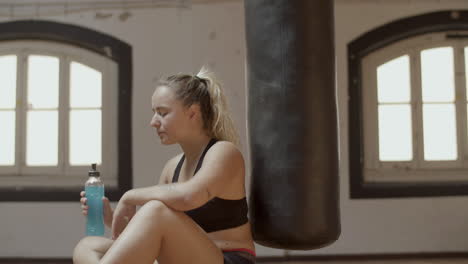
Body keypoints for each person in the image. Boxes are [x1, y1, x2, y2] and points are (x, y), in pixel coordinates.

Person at [73, 67, 256, 264]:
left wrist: (129, 197)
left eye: (162, 113)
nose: (153, 122)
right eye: (154, 113)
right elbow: (150, 236)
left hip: (228, 259)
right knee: (88, 245)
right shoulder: (172, 167)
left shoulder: (224, 152)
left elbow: (189, 196)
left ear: (192, 113)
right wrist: (110, 217)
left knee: (155, 210)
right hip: (183, 258)